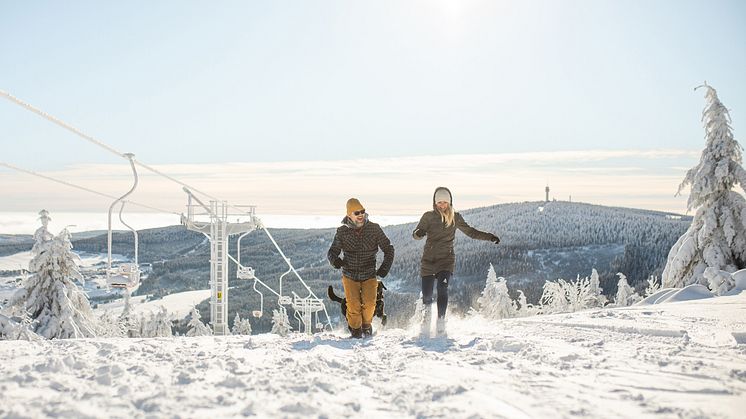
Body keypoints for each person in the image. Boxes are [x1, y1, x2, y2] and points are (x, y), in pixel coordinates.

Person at [413, 187, 500, 337]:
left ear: (450, 202)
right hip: (428, 261)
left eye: (445, 202)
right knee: (427, 295)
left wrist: (490, 237)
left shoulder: (455, 217)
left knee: (442, 287)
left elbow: (471, 232)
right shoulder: (428, 216)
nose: (442, 205)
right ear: (435, 203)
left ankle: (440, 321)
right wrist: (418, 233)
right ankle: (426, 319)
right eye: (439, 202)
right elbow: (416, 234)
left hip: (446, 261)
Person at [328, 198, 395, 338]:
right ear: (349, 215)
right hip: (349, 274)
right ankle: (356, 330)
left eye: (362, 211)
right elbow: (332, 252)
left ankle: (366, 326)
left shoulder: (374, 229)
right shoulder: (342, 232)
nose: (360, 215)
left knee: (370, 304)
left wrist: (383, 270)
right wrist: (335, 261)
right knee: (353, 305)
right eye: (356, 212)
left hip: (369, 274)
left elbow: (389, 249)